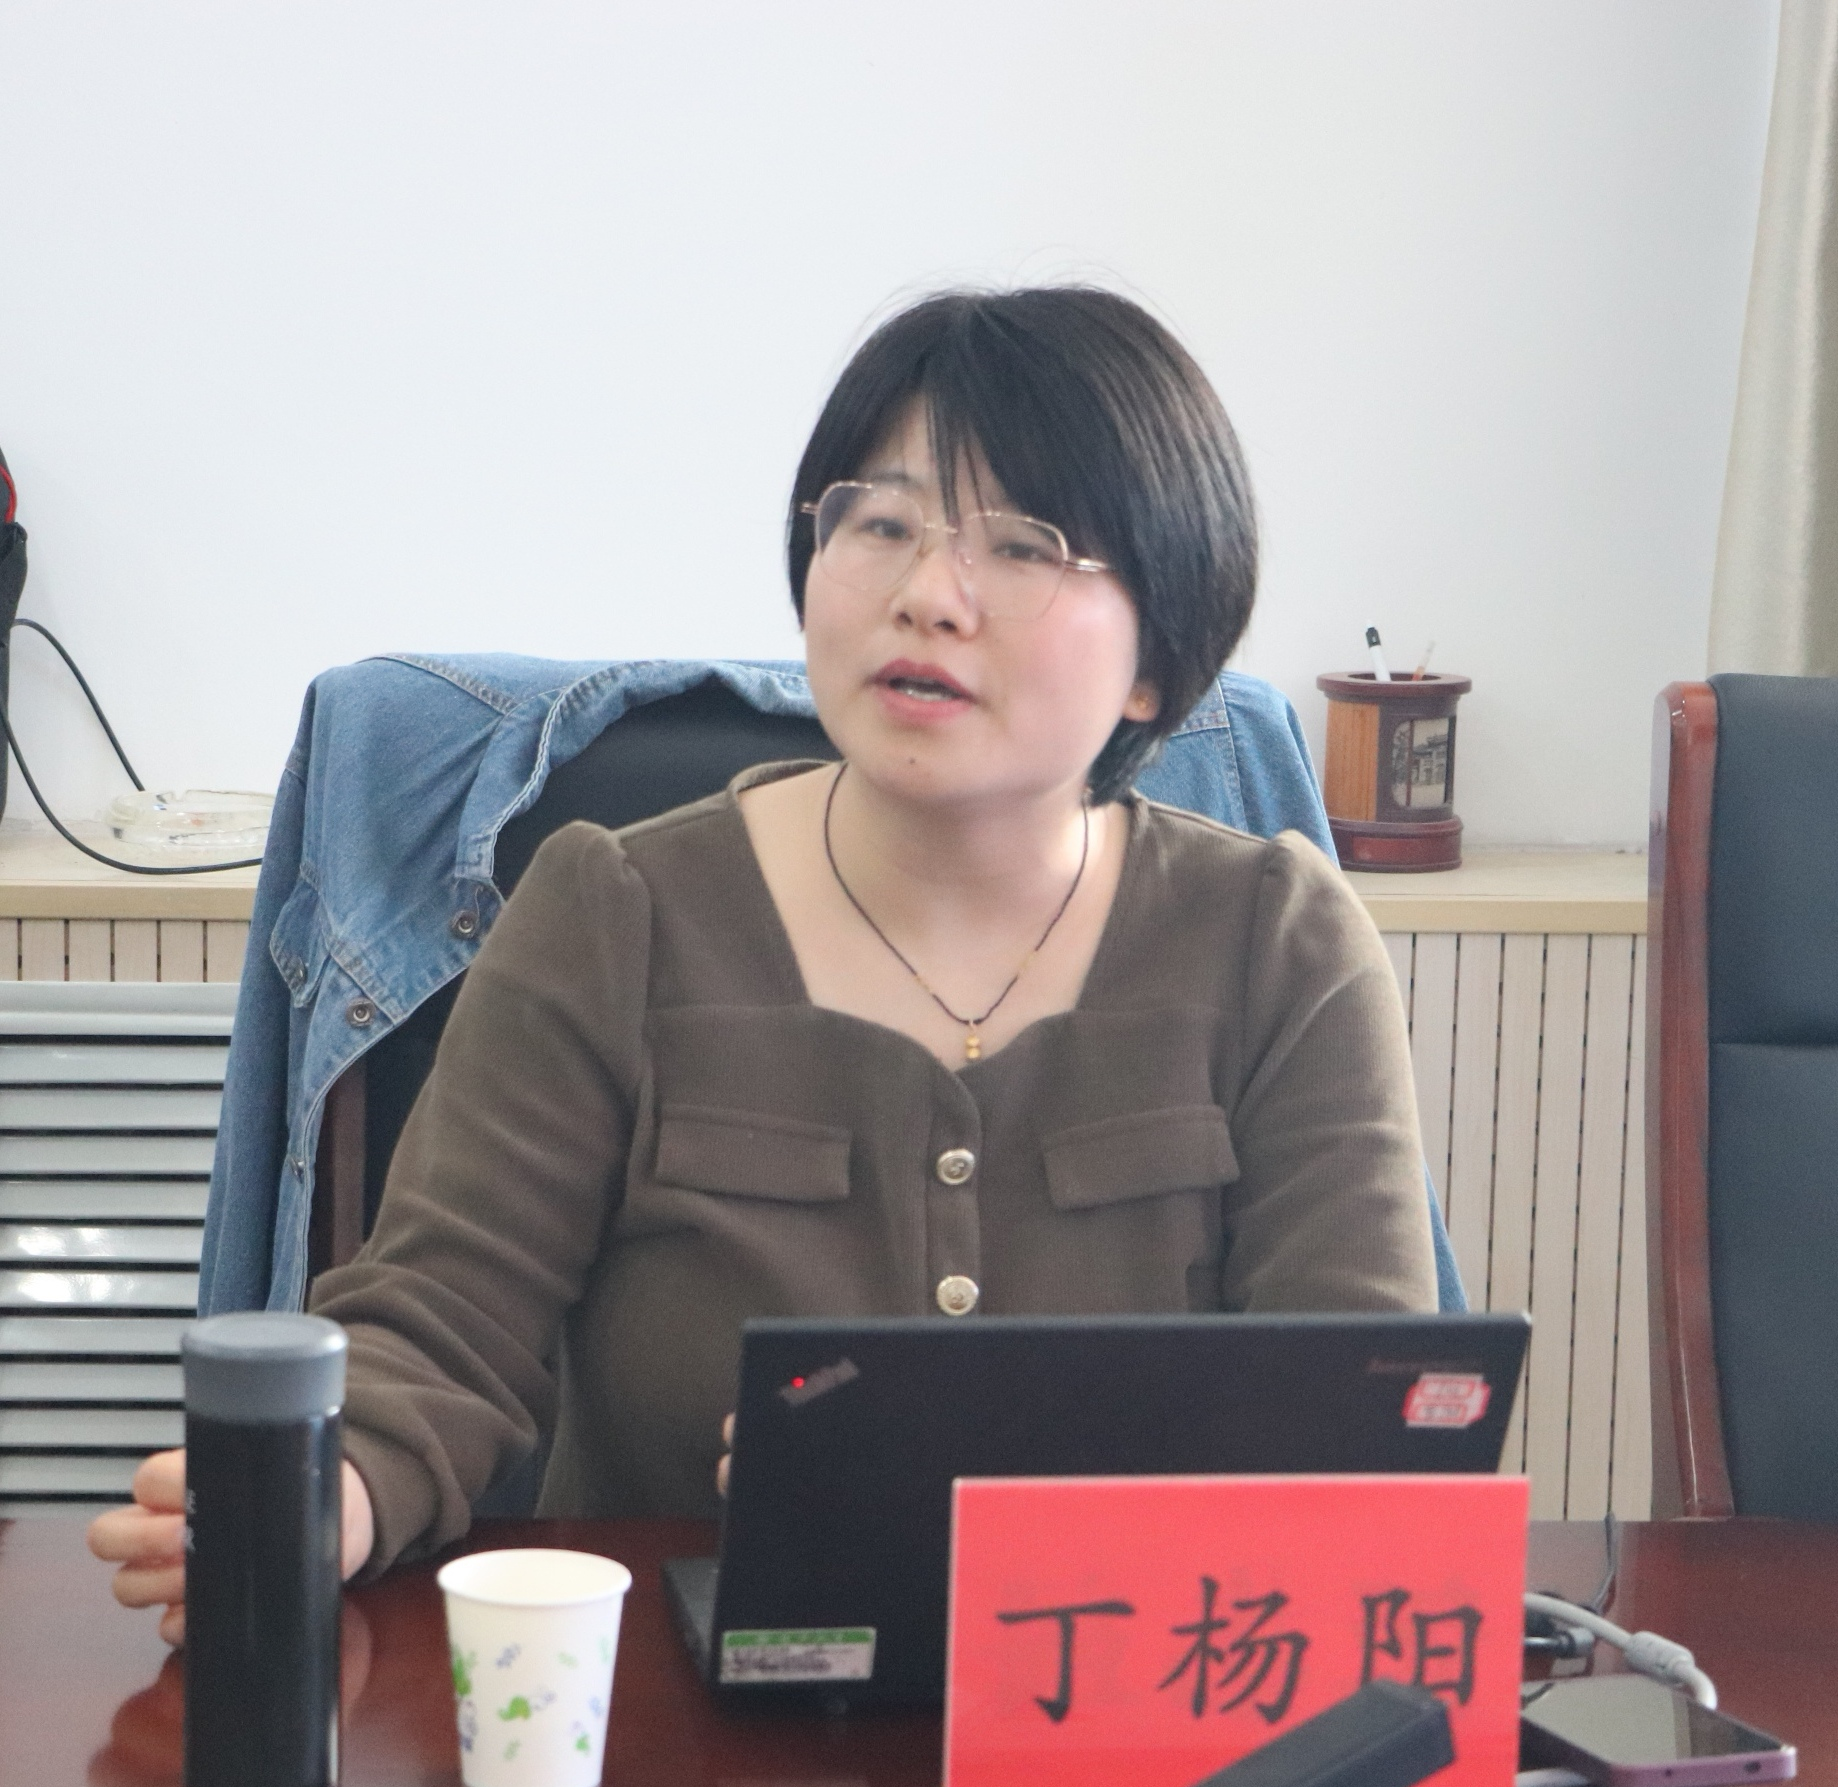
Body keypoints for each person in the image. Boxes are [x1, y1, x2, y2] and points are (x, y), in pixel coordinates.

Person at [90, 286, 1437, 1644]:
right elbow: (440, 1328)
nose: (926, 596)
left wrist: (961, 1482)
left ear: (1158, 660)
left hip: (1142, 1707)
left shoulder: (1278, 945)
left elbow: (1364, 1421)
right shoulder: (616, 913)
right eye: (881, 524)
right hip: (670, 1721)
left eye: (1024, 547)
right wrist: (317, 1498)